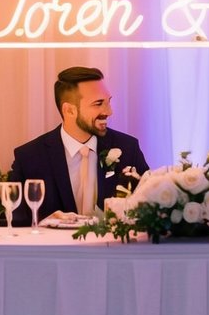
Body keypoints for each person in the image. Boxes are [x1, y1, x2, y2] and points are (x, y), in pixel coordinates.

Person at [9, 66, 149, 223]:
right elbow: (14, 221)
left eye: (108, 102)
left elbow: (149, 208)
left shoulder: (128, 148)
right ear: (69, 110)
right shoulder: (29, 157)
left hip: (113, 246)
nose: (109, 112)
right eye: (98, 104)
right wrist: (45, 222)